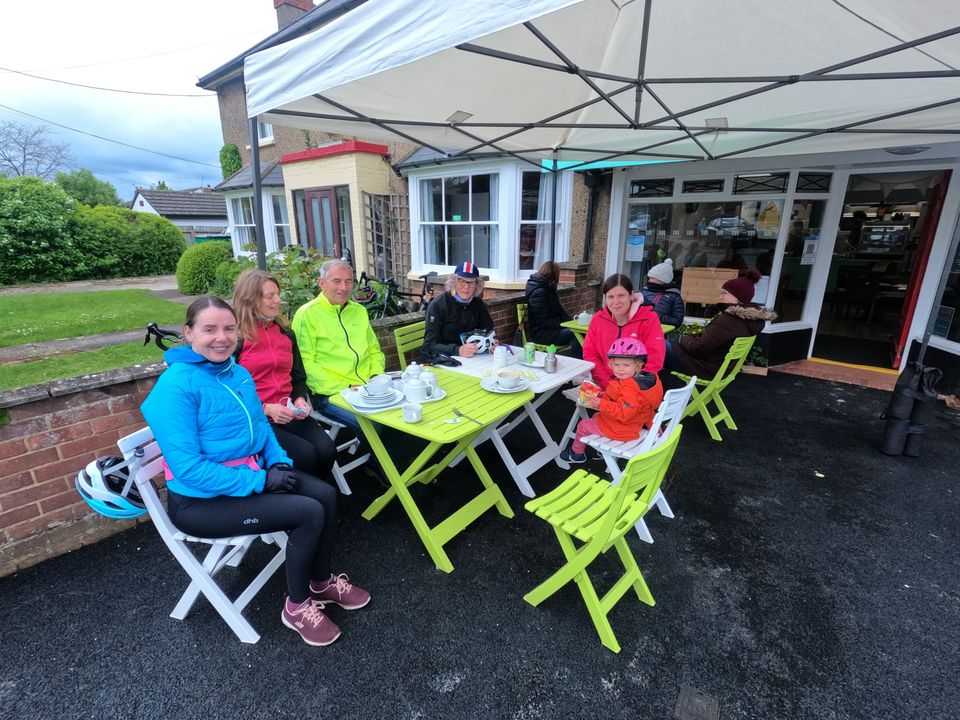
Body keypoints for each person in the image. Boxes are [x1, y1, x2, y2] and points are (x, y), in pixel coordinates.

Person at [141, 296, 370, 648]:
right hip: (201, 502)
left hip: (247, 478)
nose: (221, 338)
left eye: (229, 329)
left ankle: (320, 582)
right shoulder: (174, 388)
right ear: (189, 333)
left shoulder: (237, 373)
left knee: (325, 494)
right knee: (308, 512)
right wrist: (262, 479)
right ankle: (296, 607)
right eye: (209, 329)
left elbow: (262, 431)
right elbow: (188, 469)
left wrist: (278, 463)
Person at [231, 269, 336, 482]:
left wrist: (299, 399)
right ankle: (305, 493)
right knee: (306, 455)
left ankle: (318, 492)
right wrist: (265, 408)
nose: (278, 300)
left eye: (277, 294)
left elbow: (298, 377)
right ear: (250, 300)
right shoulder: (235, 340)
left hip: (289, 411)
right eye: (270, 296)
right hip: (256, 418)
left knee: (327, 449)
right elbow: (227, 391)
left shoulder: (285, 333)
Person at [291, 258, 386, 431]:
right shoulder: (307, 314)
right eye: (336, 281)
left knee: (401, 414)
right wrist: (347, 387)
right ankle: (376, 450)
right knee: (374, 425)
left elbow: (374, 350)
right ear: (322, 283)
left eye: (348, 281)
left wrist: (375, 376)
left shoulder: (359, 311)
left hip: (368, 387)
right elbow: (305, 364)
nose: (343, 287)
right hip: (330, 394)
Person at [559, 337, 664, 464]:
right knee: (596, 416)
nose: (620, 369)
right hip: (631, 426)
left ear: (638, 365)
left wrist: (601, 403)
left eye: (626, 365)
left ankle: (576, 454)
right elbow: (642, 406)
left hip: (621, 430)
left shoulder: (630, 388)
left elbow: (624, 412)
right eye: (616, 364)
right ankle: (601, 451)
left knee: (583, 425)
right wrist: (602, 395)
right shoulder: (645, 382)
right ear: (611, 363)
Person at [662, 268, 777, 378]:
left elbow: (698, 349)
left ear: (737, 298)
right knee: (661, 345)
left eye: (724, 293)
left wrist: (684, 338)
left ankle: (653, 385)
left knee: (657, 344)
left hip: (702, 367)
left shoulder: (729, 321)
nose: (721, 297)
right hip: (717, 368)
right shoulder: (748, 321)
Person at [582, 273, 665, 389]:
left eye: (621, 295)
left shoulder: (649, 318)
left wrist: (629, 387)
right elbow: (590, 354)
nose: (616, 302)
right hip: (605, 384)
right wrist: (607, 383)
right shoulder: (597, 319)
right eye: (610, 297)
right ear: (605, 298)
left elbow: (654, 359)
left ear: (631, 295)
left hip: (637, 387)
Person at [422, 261, 494, 360]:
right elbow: (429, 346)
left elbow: (487, 329)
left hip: (472, 359)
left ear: (477, 285)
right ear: (453, 282)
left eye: (471, 282)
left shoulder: (477, 303)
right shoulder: (437, 305)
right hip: (444, 360)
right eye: (462, 281)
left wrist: (490, 342)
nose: (466, 286)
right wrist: (458, 350)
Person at [524, 260, 582, 358]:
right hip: (542, 334)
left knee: (578, 331)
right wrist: (564, 325)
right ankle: (577, 361)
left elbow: (560, 311)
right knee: (575, 334)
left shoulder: (548, 288)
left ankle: (583, 360)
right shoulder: (539, 292)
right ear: (553, 275)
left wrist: (572, 323)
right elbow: (543, 322)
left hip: (552, 330)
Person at [640, 258, 685, 328]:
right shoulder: (642, 292)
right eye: (649, 278)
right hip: (638, 330)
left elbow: (677, 321)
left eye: (652, 278)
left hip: (660, 332)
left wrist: (655, 316)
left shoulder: (675, 296)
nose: (649, 281)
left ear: (662, 280)